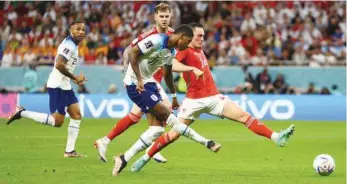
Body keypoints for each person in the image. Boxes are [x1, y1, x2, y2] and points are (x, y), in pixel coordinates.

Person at [130, 23, 295, 172]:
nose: (202, 38)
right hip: (193, 101)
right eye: (199, 36)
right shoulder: (184, 50)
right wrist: (191, 69)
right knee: (173, 135)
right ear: (189, 37)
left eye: (203, 36)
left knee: (244, 116)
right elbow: (172, 64)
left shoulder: (200, 50)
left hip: (214, 97)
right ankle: (145, 157)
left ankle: (276, 137)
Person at [112, 24, 221, 176]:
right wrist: (138, 79)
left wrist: (174, 96)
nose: (187, 45)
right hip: (136, 85)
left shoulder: (170, 52)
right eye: (188, 41)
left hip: (149, 83)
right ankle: (206, 142)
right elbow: (132, 52)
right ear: (181, 37)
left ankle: (124, 158)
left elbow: (168, 75)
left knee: (157, 129)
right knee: (171, 119)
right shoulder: (157, 40)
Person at [95, 2, 175, 163]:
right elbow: (128, 52)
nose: (164, 19)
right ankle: (152, 147)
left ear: (171, 16)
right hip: (143, 81)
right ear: (155, 17)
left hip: (153, 81)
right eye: (161, 16)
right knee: (165, 110)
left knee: (136, 116)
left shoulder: (172, 35)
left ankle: (106, 141)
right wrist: (128, 75)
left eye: (167, 16)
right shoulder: (149, 36)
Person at [7, 21, 88, 158]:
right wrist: (74, 76)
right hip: (57, 85)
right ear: (70, 30)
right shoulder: (69, 45)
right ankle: (21, 112)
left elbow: (65, 67)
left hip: (65, 85)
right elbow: (59, 65)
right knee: (57, 122)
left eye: (83, 30)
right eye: (77, 29)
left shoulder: (73, 45)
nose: (81, 32)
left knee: (76, 115)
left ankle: (69, 151)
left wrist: (73, 79)